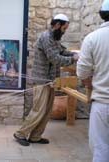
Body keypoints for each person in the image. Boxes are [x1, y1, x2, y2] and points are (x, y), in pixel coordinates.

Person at [13, 14, 79, 146]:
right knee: (39, 110)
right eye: (64, 28)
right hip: (42, 80)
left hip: (50, 80)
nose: (64, 32)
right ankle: (20, 133)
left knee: (47, 111)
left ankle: (35, 136)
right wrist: (73, 59)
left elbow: (61, 51)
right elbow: (55, 58)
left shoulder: (54, 38)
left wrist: (73, 53)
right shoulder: (46, 37)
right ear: (58, 25)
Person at [76, 0, 109, 161]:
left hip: (102, 103)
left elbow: (82, 71)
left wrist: (88, 82)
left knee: (101, 148)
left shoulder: (92, 38)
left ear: (102, 15)